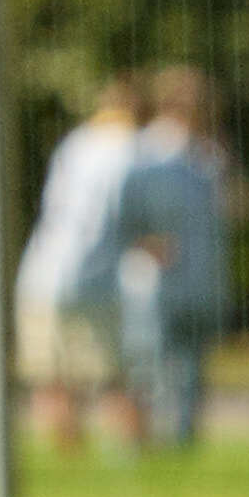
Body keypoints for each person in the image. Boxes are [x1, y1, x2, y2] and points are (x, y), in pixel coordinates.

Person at [19, 77, 148, 453]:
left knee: (51, 378)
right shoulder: (134, 150)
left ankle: (68, 454)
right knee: (113, 377)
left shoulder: (75, 144)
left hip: (42, 272)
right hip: (98, 280)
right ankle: (130, 456)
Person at [119, 66, 236, 455]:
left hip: (201, 279)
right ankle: (139, 447)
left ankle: (181, 445)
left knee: (191, 371)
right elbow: (121, 212)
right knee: (146, 366)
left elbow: (238, 206)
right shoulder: (146, 148)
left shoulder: (208, 153)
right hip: (153, 282)